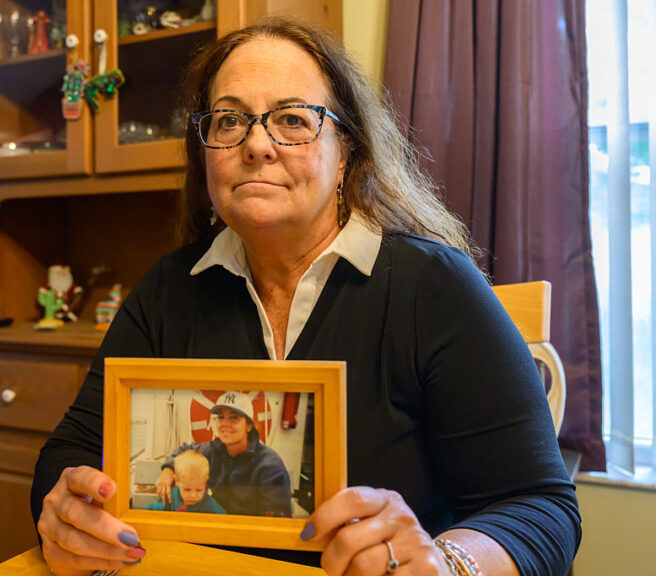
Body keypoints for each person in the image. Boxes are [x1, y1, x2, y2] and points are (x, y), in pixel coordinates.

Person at [31, 16, 580, 576]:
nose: (256, 144)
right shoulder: (169, 289)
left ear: (346, 153)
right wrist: (69, 512)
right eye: (229, 120)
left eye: (293, 119)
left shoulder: (433, 285)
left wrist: (446, 562)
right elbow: (72, 450)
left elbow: (540, 506)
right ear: (206, 154)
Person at [155, 392, 292, 517]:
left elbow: (276, 519)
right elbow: (185, 450)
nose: (225, 424)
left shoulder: (270, 466)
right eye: (221, 417)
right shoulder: (212, 451)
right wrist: (168, 469)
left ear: (249, 425)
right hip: (211, 531)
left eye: (234, 418)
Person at [145, 449, 227, 514]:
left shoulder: (209, 504)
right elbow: (150, 511)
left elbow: (224, 520)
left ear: (205, 483)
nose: (193, 495)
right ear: (177, 481)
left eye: (199, 490)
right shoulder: (171, 497)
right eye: (187, 489)